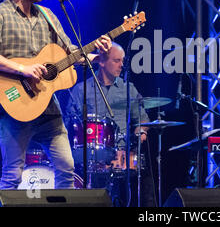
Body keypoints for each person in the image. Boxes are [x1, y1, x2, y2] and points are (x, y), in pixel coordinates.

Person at [0, 0, 112, 190]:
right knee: (12, 176)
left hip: (48, 107)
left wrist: (95, 53)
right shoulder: (1, 14)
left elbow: (71, 53)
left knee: (67, 168)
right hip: (13, 105)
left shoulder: (47, 15)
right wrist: (22, 68)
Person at [65, 42, 154, 206]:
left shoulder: (129, 89)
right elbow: (70, 125)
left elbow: (142, 119)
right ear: (102, 61)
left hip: (122, 154)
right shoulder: (81, 90)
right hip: (89, 155)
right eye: (116, 61)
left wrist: (139, 136)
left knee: (145, 178)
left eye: (122, 61)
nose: (121, 65)